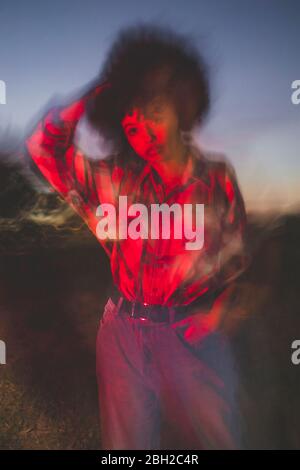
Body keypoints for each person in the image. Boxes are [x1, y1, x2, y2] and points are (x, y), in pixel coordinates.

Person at [24, 24, 251, 450]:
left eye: (152, 111)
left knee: (216, 439)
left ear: (182, 104)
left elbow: (235, 255)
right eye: (130, 122)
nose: (141, 129)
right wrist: (97, 93)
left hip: (192, 333)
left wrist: (218, 311)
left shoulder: (216, 179)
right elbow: (43, 147)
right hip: (122, 335)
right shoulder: (112, 182)